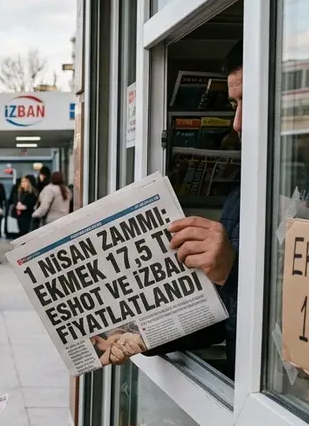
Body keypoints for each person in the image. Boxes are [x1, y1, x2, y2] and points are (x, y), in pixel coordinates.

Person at [103, 41, 244, 370]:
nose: (236, 124)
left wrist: (231, 272)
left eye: (248, 103)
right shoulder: (243, 194)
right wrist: (143, 335)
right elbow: (220, 315)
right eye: (234, 104)